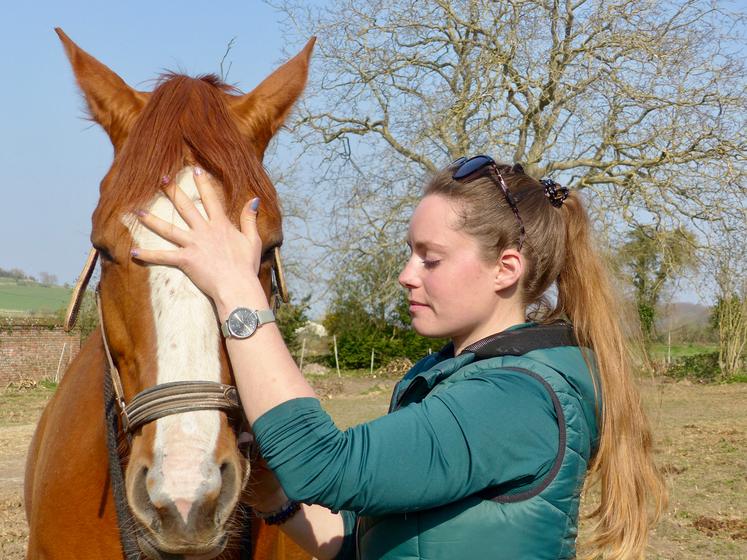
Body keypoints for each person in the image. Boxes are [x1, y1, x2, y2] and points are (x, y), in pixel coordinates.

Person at [132, 156, 667, 560]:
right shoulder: (450, 378)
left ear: (506, 269)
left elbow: (326, 465)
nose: (407, 274)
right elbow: (362, 543)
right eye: (410, 252)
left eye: (429, 258)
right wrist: (278, 500)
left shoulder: (519, 397)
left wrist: (235, 290)